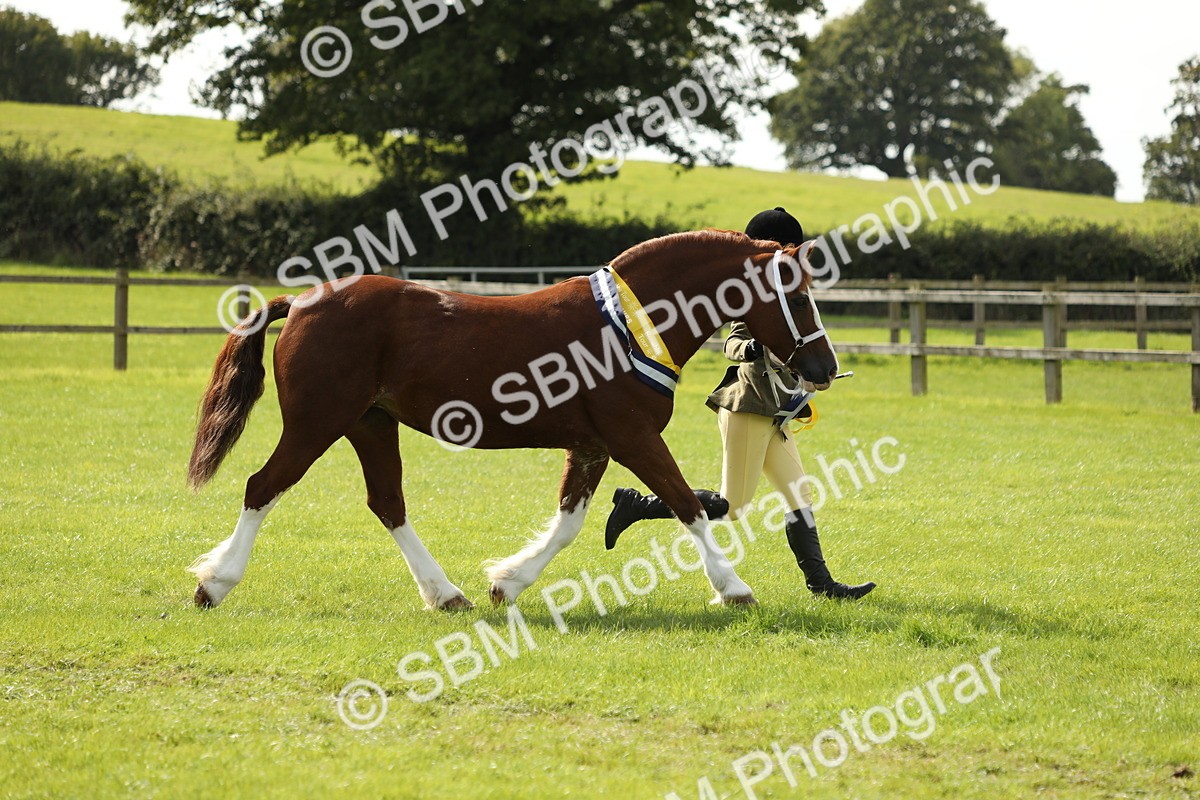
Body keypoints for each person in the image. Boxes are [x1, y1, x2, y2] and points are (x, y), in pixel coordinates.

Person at [605, 208, 875, 600]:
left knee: (799, 495)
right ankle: (639, 505)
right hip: (748, 407)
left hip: (777, 413)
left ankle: (822, 586)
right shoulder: (755, 296)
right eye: (790, 247)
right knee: (732, 507)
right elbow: (731, 342)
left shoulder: (786, 291)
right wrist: (754, 348)